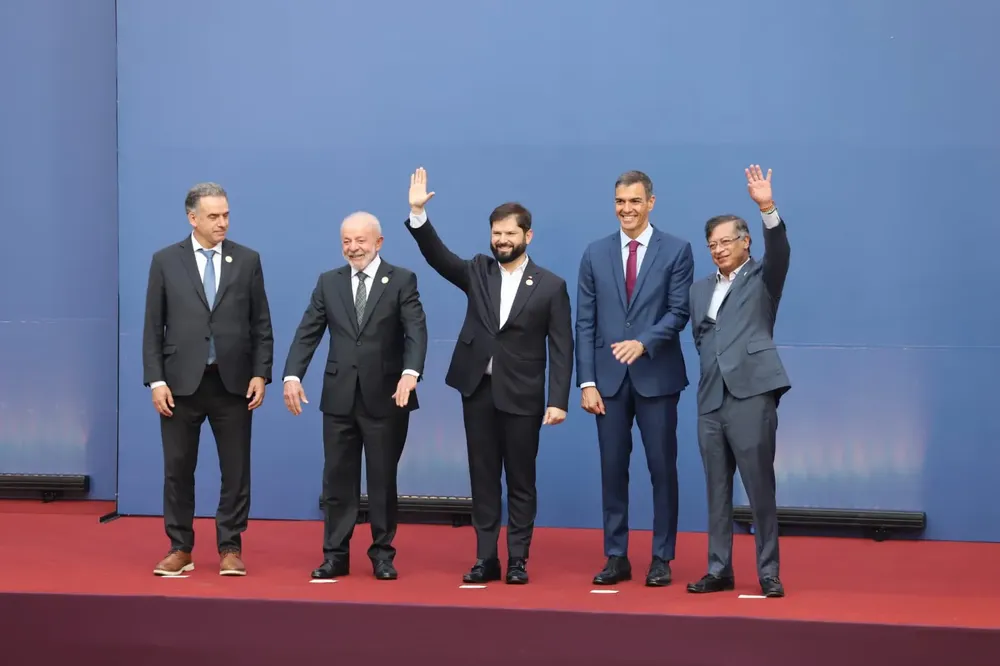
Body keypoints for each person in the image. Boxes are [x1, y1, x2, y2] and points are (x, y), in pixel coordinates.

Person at [404, 167, 573, 585]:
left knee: (520, 480)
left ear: (527, 236)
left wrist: (557, 399)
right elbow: (438, 257)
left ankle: (517, 559)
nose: (501, 240)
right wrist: (418, 215)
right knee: (482, 477)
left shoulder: (551, 285)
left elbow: (562, 346)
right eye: (496, 233)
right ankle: (485, 558)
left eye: (509, 234)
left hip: (524, 395)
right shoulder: (478, 270)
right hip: (477, 389)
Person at [282, 211, 428, 581]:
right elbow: (307, 332)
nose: (353, 248)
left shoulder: (401, 280)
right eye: (347, 241)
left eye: (360, 240)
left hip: (387, 397)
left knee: (382, 481)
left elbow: (416, 331)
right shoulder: (328, 282)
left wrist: (410, 374)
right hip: (339, 398)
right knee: (337, 481)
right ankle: (335, 555)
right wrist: (292, 375)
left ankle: (382, 554)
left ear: (378, 242)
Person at [142, 182, 274, 577]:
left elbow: (261, 325)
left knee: (236, 470)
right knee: (178, 469)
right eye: (214, 216)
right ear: (192, 218)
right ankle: (180, 547)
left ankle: (230, 547)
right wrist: (156, 381)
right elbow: (152, 327)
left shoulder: (248, 260)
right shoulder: (165, 261)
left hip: (233, 385)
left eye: (226, 215)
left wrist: (261, 373)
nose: (222, 223)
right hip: (179, 386)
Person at [575, 170, 694, 587]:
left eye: (635, 201)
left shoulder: (677, 250)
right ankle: (616, 555)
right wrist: (586, 382)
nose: (627, 209)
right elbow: (584, 322)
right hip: (607, 382)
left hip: (657, 378)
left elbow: (679, 312)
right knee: (612, 470)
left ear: (651, 203)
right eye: (620, 202)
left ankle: (662, 557)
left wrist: (643, 343)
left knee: (663, 469)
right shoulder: (594, 253)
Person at [686, 165, 791, 598]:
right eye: (712, 244)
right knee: (716, 490)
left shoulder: (764, 277)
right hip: (711, 399)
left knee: (759, 488)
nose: (718, 249)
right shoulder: (698, 289)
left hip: (751, 394)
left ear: (745, 242)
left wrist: (766, 206)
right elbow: (702, 337)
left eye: (726, 241)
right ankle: (719, 568)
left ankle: (768, 571)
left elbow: (780, 248)